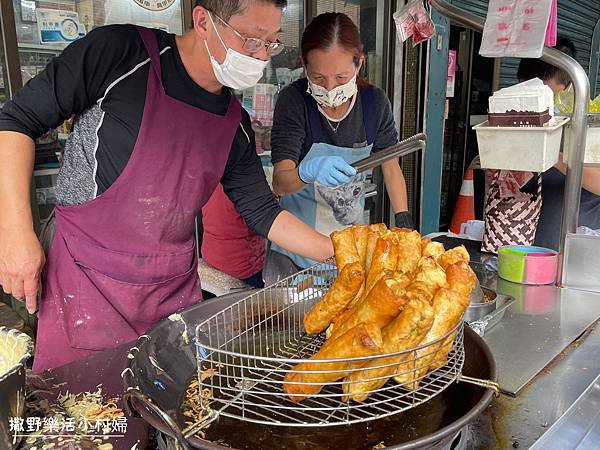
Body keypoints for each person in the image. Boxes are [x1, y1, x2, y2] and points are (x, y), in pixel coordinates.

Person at [0, 0, 334, 371]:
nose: (261, 57)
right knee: (90, 415)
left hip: (171, 296)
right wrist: (14, 233)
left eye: (271, 44)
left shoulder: (234, 122)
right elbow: (16, 121)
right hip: (86, 285)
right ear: (203, 20)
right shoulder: (118, 54)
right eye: (251, 40)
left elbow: (263, 212)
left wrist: (340, 254)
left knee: (168, 412)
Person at [268, 12, 411, 271]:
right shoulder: (294, 101)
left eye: (341, 77)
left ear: (359, 64)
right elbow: (280, 181)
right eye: (319, 78)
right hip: (294, 254)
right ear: (304, 65)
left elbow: (391, 167)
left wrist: (404, 221)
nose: (331, 87)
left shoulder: (374, 104)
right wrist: (305, 172)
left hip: (349, 251)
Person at [506, 37, 600, 250]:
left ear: (570, 87)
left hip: (577, 251)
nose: (534, 102)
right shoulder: (524, 120)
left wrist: (556, 158)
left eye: (543, 93)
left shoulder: (592, 125)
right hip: (523, 246)